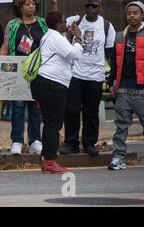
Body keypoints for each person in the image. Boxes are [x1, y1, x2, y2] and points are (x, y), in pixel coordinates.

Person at [0, 0, 58, 155]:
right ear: (20, 7)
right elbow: (5, 47)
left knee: (35, 106)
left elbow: (55, 35)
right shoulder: (12, 25)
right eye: (26, 4)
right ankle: (17, 141)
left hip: (39, 70)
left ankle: (35, 141)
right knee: (17, 107)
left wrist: (54, 3)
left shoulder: (43, 24)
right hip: (17, 71)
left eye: (33, 3)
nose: (31, 6)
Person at [60, 0, 116, 156]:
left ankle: (89, 143)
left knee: (91, 112)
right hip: (75, 74)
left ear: (100, 8)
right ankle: (71, 143)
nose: (90, 8)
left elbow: (110, 52)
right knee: (71, 110)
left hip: (95, 75)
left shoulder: (106, 26)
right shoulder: (74, 21)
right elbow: (60, 37)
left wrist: (112, 77)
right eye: (88, 6)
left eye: (94, 6)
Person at [30, 11, 83, 174]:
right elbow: (75, 54)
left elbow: (62, 50)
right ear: (59, 24)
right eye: (63, 21)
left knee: (49, 123)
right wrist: (78, 37)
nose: (65, 23)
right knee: (54, 124)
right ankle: (50, 161)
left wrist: (68, 36)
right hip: (54, 84)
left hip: (42, 83)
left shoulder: (49, 36)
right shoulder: (55, 37)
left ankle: (47, 158)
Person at [107, 1, 144, 170]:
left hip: (142, 90)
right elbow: (114, 62)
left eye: (135, 13)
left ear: (142, 15)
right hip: (123, 89)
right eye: (129, 13)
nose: (132, 16)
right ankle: (118, 157)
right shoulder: (119, 35)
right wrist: (111, 82)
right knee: (121, 126)